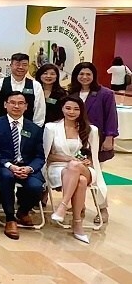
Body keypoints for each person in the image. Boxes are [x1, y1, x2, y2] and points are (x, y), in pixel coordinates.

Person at [44, 96, 106, 244]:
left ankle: (63, 206)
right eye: (68, 108)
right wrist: (69, 160)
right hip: (58, 168)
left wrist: (85, 161)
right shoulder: (51, 128)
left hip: (85, 168)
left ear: (81, 111)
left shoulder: (91, 130)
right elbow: (47, 156)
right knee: (81, 181)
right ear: (62, 109)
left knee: (77, 169)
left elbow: (93, 157)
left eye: (76, 109)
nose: (72, 112)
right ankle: (77, 224)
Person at [0, 91, 45, 240]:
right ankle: (10, 218)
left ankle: (23, 211)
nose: (16, 106)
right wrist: (10, 166)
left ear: (26, 107)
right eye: (12, 102)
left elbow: (39, 156)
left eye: (20, 103)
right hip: (3, 166)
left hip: (27, 167)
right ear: (5, 105)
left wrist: (29, 168)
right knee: (7, 177)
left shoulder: (34, 128)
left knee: (37, 186)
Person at [67, 62, 118, 221]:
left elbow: (111, 116)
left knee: (96, 176)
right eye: (81, 74)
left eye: (88, 74)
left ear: (94, 76)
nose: (84, 77)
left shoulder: (105, 94)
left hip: (96, 141)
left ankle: (102, 209)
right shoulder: (72, 92)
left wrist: (109, 137)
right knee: (76, 174)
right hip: (76, 140)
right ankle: (79, 206)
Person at [0, 53, 45, 126]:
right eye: (17, 64)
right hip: (1, 127)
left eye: (24, 65)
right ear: (11, 66)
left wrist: (35, 129)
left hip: (27, 128)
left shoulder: (36, 85)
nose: (21, 67)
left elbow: (39, 110)